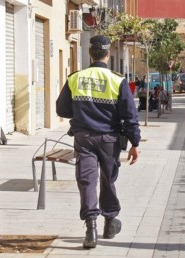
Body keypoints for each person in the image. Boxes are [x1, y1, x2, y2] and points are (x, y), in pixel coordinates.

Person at [56, 35, 141, 249]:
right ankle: (110, 222)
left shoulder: (76, 78)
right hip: (109, 139)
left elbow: (61, 109)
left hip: (83, 138)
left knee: (86, 181)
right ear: (107, 54)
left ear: (90, 53)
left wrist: (82, 112)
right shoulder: (117, 80)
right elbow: (130, 115)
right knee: (108, 179)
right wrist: (135, 143)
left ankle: (90, 228)